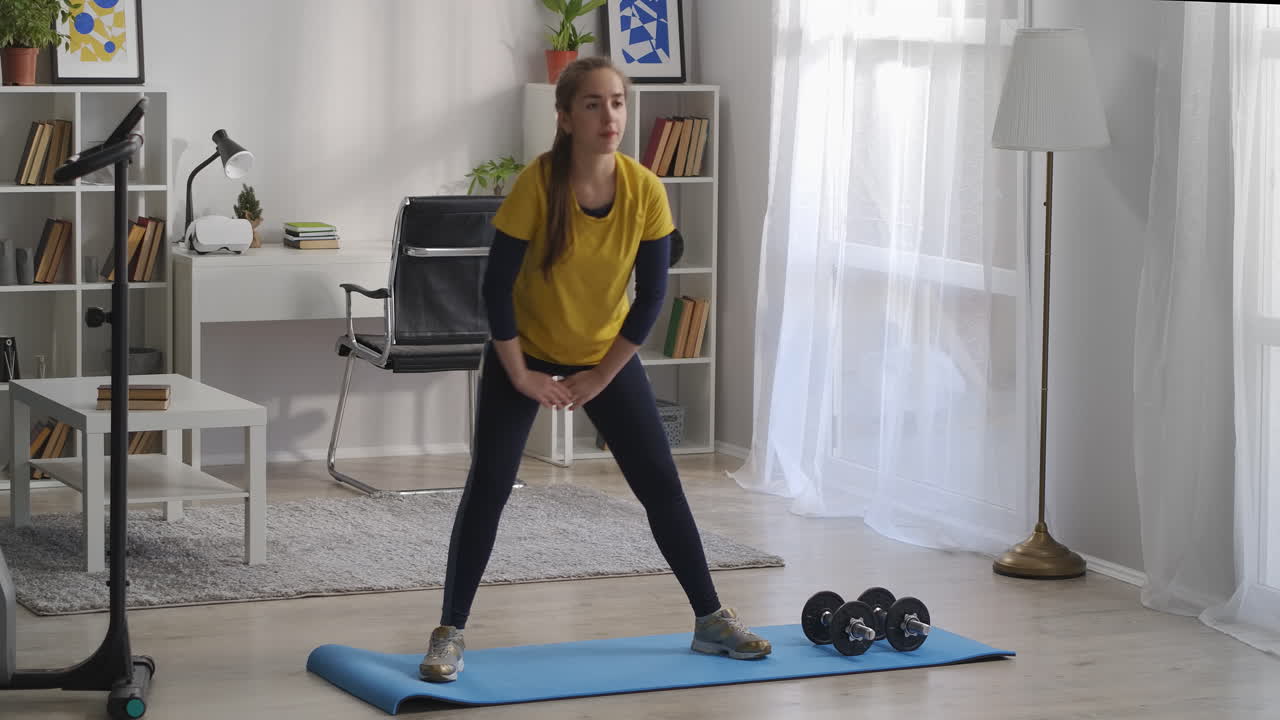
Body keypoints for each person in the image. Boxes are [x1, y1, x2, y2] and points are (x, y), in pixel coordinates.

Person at [419, 57, 771, 683]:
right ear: (565, 117)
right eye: (593, 104)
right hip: (521, 354)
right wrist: (524, 375)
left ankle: (710, 620)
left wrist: (600, 377)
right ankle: (450, 630)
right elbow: (494, 291)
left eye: (617, 103)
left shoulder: (646, 190)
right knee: (490, 486)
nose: (609, 116)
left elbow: (654, 297)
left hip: (602, 356)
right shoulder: (538, 183)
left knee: (661, 485)